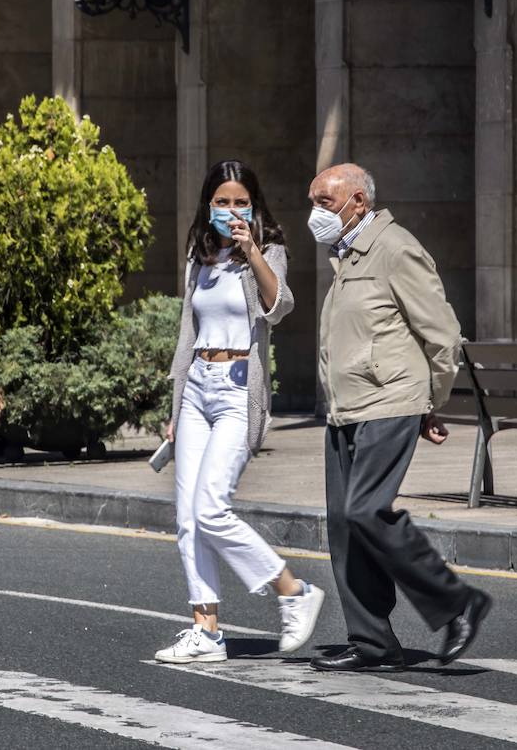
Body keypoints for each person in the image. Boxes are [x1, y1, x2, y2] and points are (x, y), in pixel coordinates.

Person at [307, 162, 492, 672]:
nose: (316, 214)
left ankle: (458, 604)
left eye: (325, 202)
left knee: (366, 510)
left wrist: (432, 400)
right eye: (314, 201)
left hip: (390, 400)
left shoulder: (395, 248)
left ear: (359, 202)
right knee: (345, 526)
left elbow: (442, 334)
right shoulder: (344, 255)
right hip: (348, 408)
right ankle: (373, 643)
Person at [155, 160, 326, 664]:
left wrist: (251, 250)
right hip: (195, 391)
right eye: (222, 202)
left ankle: (292, 590)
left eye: (240, 202)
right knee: (187, 518)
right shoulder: (199, 254)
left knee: (211, 507)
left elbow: (281, 306)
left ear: (254, 204)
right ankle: (205, 630)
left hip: (236, 390)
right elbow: (188, 333)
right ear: (208, 204)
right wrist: (174, 405)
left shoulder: (267, 250)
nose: (231, 211)